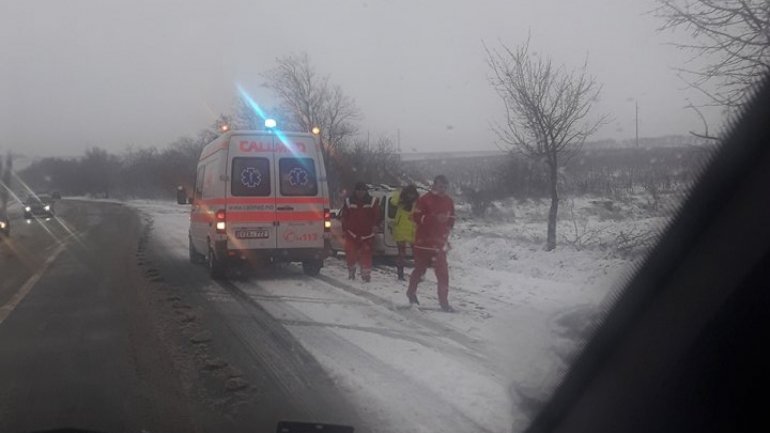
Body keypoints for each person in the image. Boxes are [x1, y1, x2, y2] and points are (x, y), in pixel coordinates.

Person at [407, 175, 456, 312]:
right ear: (434, 185)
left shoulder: (449, 201)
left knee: (443, 273)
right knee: (420, 271)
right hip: (423, 243)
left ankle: (444, 302)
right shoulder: (424, 199)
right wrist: (434, 219)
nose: (442, 189)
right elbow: (415, 217)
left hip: (439, 245)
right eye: (440, 186)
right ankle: (411, 293)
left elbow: (451, 219)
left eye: (445, 187)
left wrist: (447, 230)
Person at [341, 182, 380, 282]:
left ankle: (366, 275)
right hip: (351, 233)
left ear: (365, 191)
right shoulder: (348, 201)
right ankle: (351, 272)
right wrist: (344, 229)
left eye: (362, 190)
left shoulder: (372, 201)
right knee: (350, 254)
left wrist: (376, 226)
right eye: (358, 190)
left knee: (366, 254)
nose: (360, 193)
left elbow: (377, 216)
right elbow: (344, 216)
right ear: (355, 191)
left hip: (367, 234)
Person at [389, 184, 419, 281]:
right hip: (400, 228)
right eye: (409, 194)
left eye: (412, 194)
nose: (410, 196)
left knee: (416, 253)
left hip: (412, 229)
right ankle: (400, 274)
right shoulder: (400, 200)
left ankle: (418, 273)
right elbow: (392, 200)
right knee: (401, 253)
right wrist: (400, 194)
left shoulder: (417, 202)